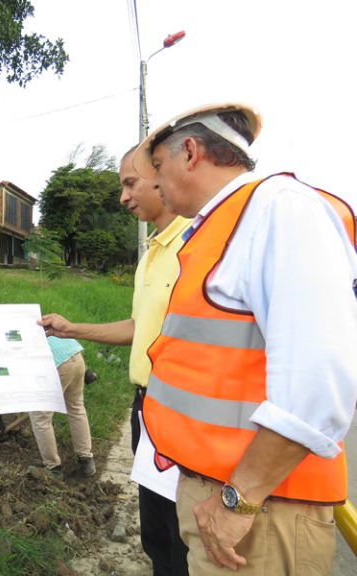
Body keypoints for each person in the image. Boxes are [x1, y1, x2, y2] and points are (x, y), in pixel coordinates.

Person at [131, 102, 357, 574]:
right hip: (227, 498)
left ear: (190, 152)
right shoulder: (222, 224)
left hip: (260, 513)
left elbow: (319, 384)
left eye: (157, 168)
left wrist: (238, 501)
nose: (155, 183)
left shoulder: (279, 210)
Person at [39, 146, 191, 575]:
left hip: (183, 415)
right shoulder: (151, 256)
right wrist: (72, 329)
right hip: (146, 409)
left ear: (162, 176)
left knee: (186, 538)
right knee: (156, 532)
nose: (123, 197)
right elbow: (137, 326)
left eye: (130, 183)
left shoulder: (195, 244)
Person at [28, 336, 95, 478]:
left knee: (40, 417)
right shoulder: (32, 316)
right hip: (75, 355)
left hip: (56, 364)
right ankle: (86, 460)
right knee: (76, 407)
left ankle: (53, 468)